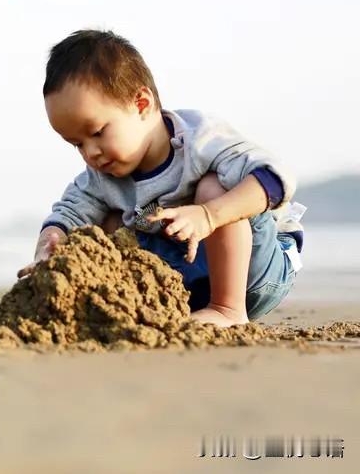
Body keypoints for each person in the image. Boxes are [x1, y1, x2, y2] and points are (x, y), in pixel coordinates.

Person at [18, 29, 304, 327]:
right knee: (103, 224)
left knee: (212, 187)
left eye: (98, 132)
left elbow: (276, 180)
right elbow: (68, 213)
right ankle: (139, 304)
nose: (91, 153)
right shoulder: (101, 176)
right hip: (185, 282)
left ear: (141, 104)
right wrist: (49, 246)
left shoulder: (200, 140)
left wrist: (208, 215)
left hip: (255, 271)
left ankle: (227, 309)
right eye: (77, 143)